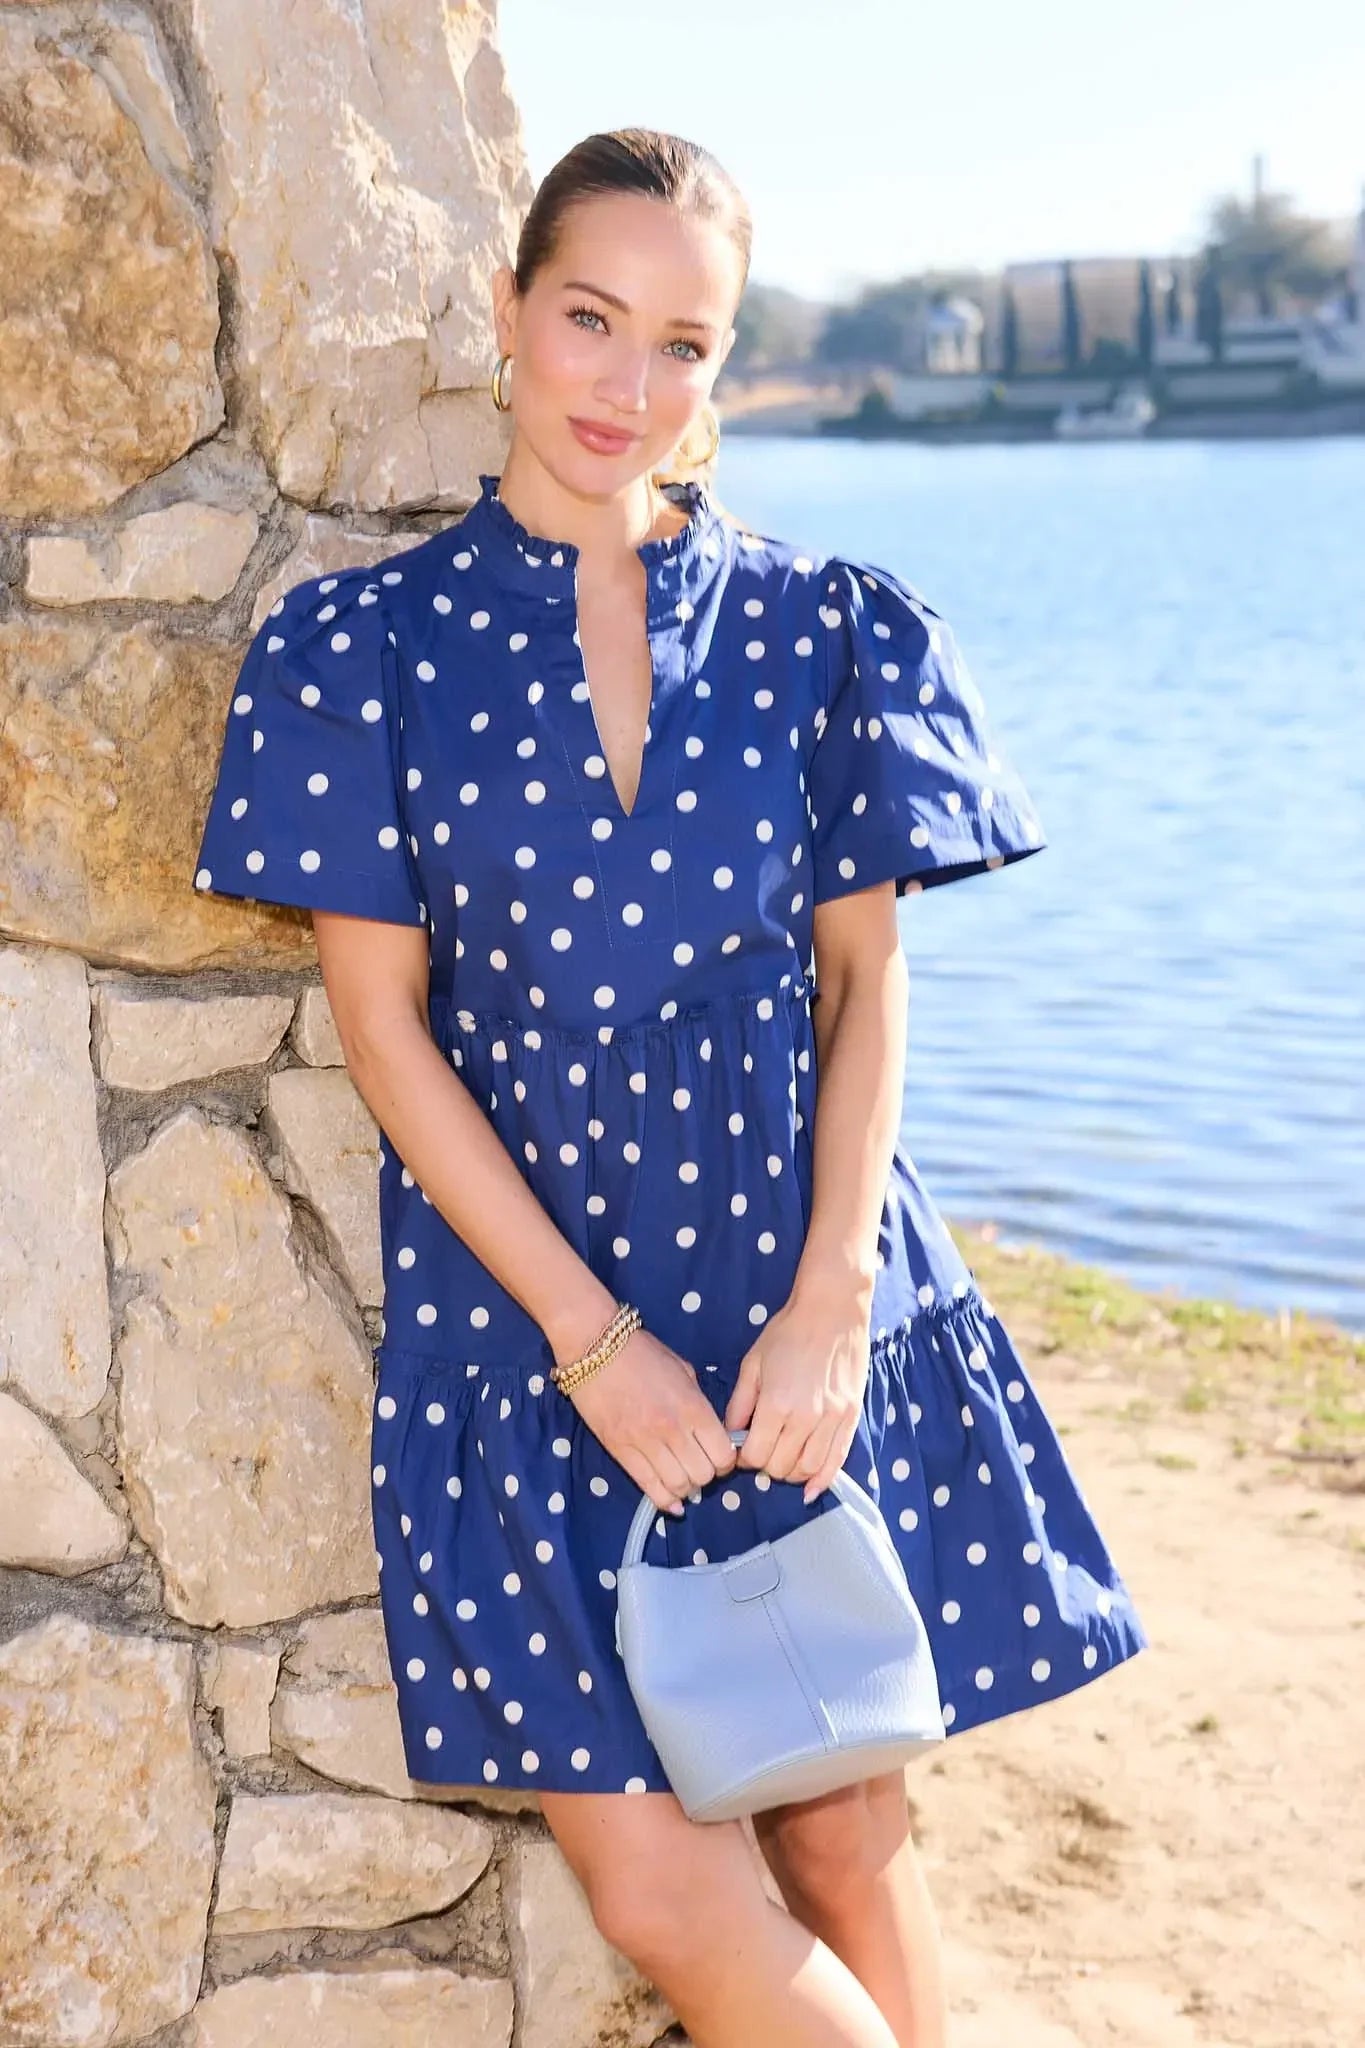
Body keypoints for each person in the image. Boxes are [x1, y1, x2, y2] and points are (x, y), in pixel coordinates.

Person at [193, 127, 1146, 2048]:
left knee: (850, 1820)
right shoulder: (358, 651)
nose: (629, 387)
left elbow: (867, 978)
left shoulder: (821, 629)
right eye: (592, 321)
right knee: (653, 1881)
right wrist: (590, 1342)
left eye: (685, 344)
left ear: (725, 365)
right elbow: (386, 1036)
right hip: (532, 1324)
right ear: (510, 315)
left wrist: (832, 1301)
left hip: (789, 1285)